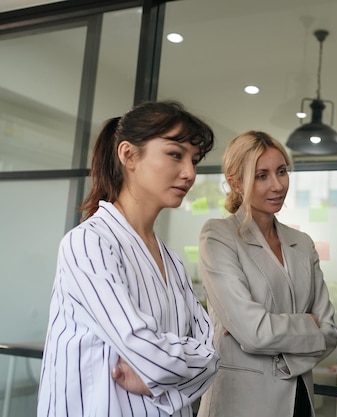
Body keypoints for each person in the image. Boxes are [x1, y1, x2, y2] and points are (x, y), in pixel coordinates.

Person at [37, 100, 220, 417]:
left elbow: (214, 351)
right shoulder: (89, 242)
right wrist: (178, 365)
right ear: (128, 154)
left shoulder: (171, 261)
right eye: (175, 155)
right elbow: (143, 347)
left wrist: (156, 380)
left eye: (194, 160)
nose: (189, 173)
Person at [195, 130, 337, 417]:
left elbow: (330, 331)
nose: (277, 185)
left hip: (299, 399)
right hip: (241, 403)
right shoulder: (218, 236)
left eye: (281, 172)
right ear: (236, 183)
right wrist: (307, 324)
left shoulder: (302, 243)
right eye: (262, 176)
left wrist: (283, 353)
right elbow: (255, 332)